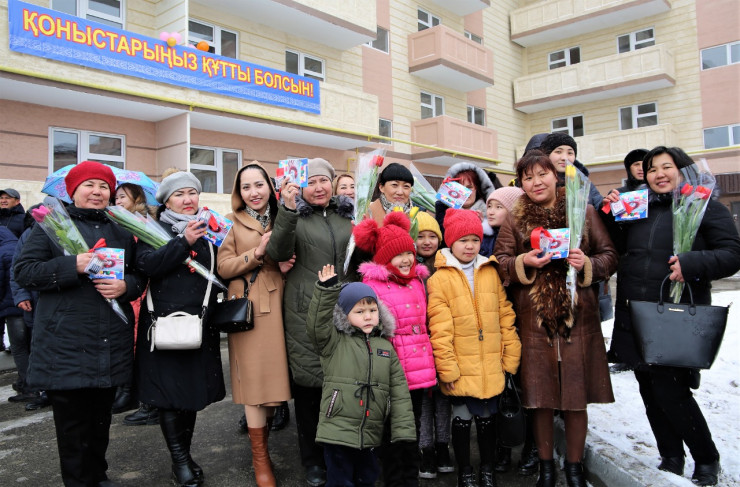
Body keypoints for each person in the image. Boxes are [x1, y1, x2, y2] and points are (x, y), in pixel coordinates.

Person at [601, 146, 740, 486]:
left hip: (675, 315)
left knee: (671, 391)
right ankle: (671, 456)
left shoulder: (703, 205)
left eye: (667, 167)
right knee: (648, 389)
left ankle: (706, 458)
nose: (659, 174)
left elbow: (732, 253)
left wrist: (692, 263)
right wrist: (609, 214)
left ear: (684, 170)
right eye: (652, 169)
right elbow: (620, 248)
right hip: (635, 312)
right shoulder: (638, 207)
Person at [14, 161, 143, 486]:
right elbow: (25, 271)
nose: (97, 191)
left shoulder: (121, 229)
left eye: (104, 186)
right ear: (73, 191)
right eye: (89, 185)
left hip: (108, 341)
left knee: (100, 423)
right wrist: (73, 264)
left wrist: (126, 286)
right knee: (72, 430)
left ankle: (98, 477)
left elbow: (139, 275)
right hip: (65, 346)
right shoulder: (52, 225)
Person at [494, 150, 618, 487]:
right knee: (541, 400)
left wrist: (587, 263)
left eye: (542, 174)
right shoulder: (515, 218)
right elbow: (500, 260)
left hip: (578, 320)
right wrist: (523, 262)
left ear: (555, 175)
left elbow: (609, 255)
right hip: (534, 322)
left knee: (576, 400)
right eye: (528, 177)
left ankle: (574, 468)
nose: (536, 182)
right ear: (521, 183)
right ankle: (547, 468)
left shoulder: (582, 211)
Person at [266, 157, 356, 487]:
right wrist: (287, 211)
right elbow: (277, 252)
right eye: (311, 182)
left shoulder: (349, 214)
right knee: (309, 387)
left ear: (333, 183)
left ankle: (341, 453)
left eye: (324, 181)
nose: (318, 188)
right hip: (305, 310)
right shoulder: (293, 215)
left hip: (346, 309)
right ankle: (313, 460)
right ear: (301, 186)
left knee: (344, 384)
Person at [135, 171, 226, 487]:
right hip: (166, 324)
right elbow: (148, 265)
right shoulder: (152, 228)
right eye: (179, 194)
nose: (187, 199)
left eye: (192, 193)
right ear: (166, 200)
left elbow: (221, 271)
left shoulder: (210, 229)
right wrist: (183, 241)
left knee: (190, 394)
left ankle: (184, 456)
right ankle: (180, 461)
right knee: (169, 396)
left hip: (200, 324)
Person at [427, 209, 521, 487]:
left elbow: (505, 316)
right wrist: (447, 368)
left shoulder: (490, 271)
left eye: (475, 240)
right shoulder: (439, 279)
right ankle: (465, 471)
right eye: (463, 240)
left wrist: (510, 356)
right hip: (460, 364)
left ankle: (487, 469)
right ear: (451, 242)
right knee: (462, 418)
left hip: (491, 362)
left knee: (488, 419)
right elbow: (440, 329)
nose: (470, 246)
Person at [307, 265, 417, 487]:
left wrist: (403, 430)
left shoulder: (385, 348)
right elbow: (316, 326)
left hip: (371, 434)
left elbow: (399, 393)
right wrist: (326, 291)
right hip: (337, 433)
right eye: (359, 312)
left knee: (367, 478)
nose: (368, 316)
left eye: (372, 310)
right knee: (340, 481)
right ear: (344, 315)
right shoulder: (334, 343)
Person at [217, 162, 291, 487]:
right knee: (254, 387)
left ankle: (266, 446)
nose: (253, 192)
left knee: (273, 387)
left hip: (283, 305)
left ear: (269, 187)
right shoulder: (230, 223)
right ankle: (260, 460)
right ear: (238, 192)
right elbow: (223, 267)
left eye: (258, 184)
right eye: (245, 187)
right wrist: (256, 253)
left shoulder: (284, 216)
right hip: (250, 310)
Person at [354, 212, 437, 486]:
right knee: (391, 433)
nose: (406, 260)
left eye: (409, 253)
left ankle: (410, 480)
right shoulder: (372, 287)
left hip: (418, 371)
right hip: (391, 373)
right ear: (384, 259)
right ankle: (394, 480)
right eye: (398, 255)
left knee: (412, 428)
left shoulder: (417, 281)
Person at [412, 212, 454, 478]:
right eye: (420, 236)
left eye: (432, 236)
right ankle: (425, 447)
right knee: (424, 399)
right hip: (419, 342)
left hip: (444, 337)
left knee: (444, 396)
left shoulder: (446, 265)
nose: (427, 242)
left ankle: (443, 445)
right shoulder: (409, 267)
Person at [109, 183, 154, 417]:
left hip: (140, 289)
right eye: (116, 197)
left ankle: (135, 395)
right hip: (120, 287)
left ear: (136, 199)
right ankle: (125, 389)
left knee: (138, 341)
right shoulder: (113, 222)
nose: (118, 201)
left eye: (123, 197)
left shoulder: (142, 223)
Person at [603, 148, 648, 375]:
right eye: (635, 164)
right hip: (627, 260)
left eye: (645, 164)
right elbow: (607, 226)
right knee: (625, 309)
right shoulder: (620, 194)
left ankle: (650, 352)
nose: (641, 168)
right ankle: (624, 355)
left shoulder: (660, 194)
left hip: (653, 259)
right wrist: (607, 207)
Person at [9, 205, 48, 411]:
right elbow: (17, 267)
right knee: (37, 346)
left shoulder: (69, 230)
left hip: (59, 300)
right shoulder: (29, 234)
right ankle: (42, 390)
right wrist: (21, 295)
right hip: (35, 300)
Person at [434, 163, 495, 240]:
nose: (464, 192)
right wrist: (443, 200)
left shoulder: (492, 215)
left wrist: (481, 225)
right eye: (459, 187)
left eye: (469, 187)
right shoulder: (443, 213)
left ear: (477, 190)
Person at [0, 187, 24, 354]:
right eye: (2, 198)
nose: (3, 200)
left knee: (10, 306)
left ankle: (14, 342)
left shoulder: (21, 219)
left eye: (7, 198)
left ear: (17, 201)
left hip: (12, 266)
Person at [481, 187, 524, 258]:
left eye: (498, 207)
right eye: (489, 206)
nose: (491, 212)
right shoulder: (483, 236)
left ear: (513, 211)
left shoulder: (520, 239)